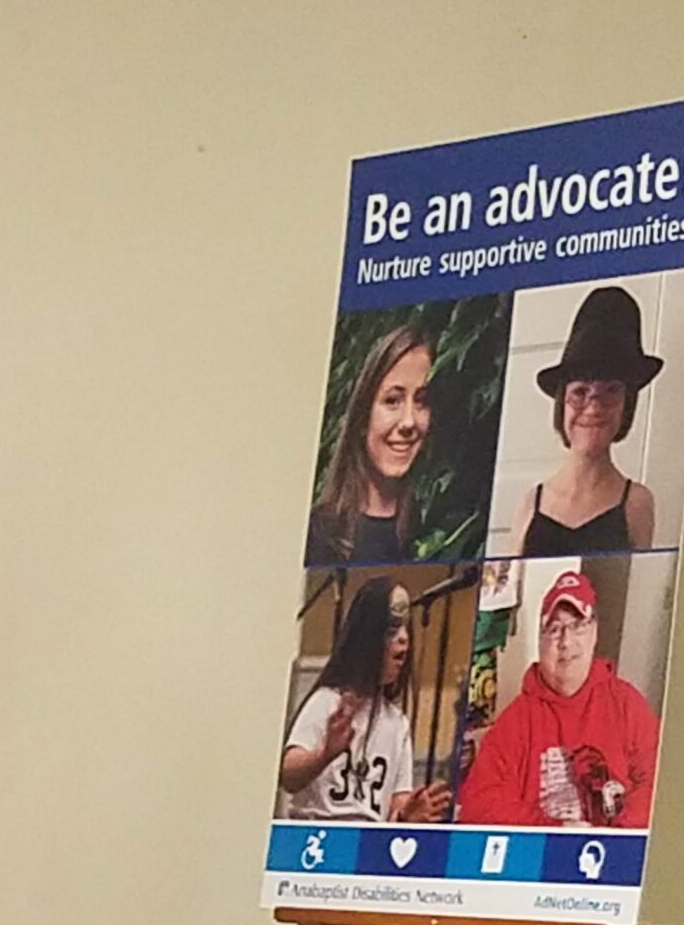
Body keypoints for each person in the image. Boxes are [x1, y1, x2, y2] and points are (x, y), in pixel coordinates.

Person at [455, 569, 657, 828]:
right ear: (541, 641)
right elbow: (478, 804)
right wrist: (553, 828)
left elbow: (661, 784)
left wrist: (610, 832)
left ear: (594, 632)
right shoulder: (516, 720)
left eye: (577, 625)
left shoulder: (627, 704)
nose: (566, 641)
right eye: (555, 628)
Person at [508, 285, 662, 556]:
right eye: (580, 392)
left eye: (610, 392)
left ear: (627, 404)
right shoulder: (531, 503)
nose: (593, 408)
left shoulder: (637, 503)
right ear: (561, 403)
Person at [278, 578, 448, 822]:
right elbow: (288, 775)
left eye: (406, 628)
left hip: (367, 846)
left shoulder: (397, 723)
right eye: (392, 628)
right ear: (368, 636)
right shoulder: (327, 701)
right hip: (319, 839)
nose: (403, 639)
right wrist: (324, 754)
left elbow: (398, 801)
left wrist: (407, 816)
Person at [305, 326, 433, 563]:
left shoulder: (432, 524)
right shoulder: (319, 534)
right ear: (364, 415)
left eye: (422, 402)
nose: (408, 422)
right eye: (392, 401)